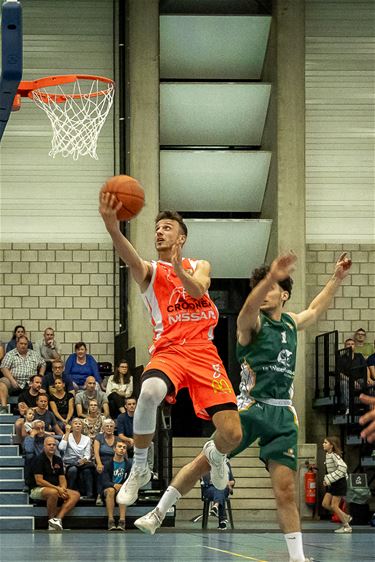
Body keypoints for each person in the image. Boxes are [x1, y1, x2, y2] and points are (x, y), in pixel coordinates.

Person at [135, 251, 351, 561]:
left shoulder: (290, 322)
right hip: (251, 408)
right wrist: (268, 278)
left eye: (273, 287)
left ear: (285, 294)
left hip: (282, 413)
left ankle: (297, 557)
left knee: (286, 490)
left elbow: (315, 310)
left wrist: (336, 279)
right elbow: (249, 307)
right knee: (202, 463)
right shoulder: (252, 323)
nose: (263, 293)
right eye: (262, 287)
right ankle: (158, 512)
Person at [99, 194, 241, 510]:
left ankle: (216, 454)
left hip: (204, 352)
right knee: (148, 391)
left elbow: (198, 289)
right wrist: (113, 229)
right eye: (157, 228)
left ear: (182, 237)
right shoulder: (151, 272)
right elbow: (131, 259)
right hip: (171, 350)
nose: (160, 232)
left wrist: (179, 268)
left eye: (167, 227)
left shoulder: (199, 265)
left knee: (232, 433)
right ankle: (140, 466)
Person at [29, 436, 80, 531]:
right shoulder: (38, 459)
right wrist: (58, 489)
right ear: (44, 446)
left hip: (56, 488)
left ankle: (57, 519)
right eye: (49, 445)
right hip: (37, 489)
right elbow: (39, 480)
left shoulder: (58, 459)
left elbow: (62, 478)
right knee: (53, 492)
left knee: (75, 494)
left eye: (54, 445)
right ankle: (51, 521)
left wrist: (63, 489)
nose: (52, 446)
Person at [0, 335, 46, 414]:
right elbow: (3, 367)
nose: (23, 345)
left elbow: (43, 364)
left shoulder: (34, 354)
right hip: (14, 381)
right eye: (21, 343)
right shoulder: (10, 354)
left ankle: (40, 412)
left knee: (41, 384)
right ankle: (4, 408)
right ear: (17, 344)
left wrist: (40, 376)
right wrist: (12, 380)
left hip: (31, 383)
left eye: (25, 344)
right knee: (2, 383)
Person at [58, 419, 95, 499]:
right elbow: (61, 447)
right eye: (75, 424)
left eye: (79, 424)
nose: (78, 425)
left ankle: (89, 495)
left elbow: (87, 454)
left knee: (87, 471)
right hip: (69, 463)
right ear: (72, 426)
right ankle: (70, 492)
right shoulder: (67, 436)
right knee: (73, 470)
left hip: (82, 463)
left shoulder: (87, 438)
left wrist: (84, 459)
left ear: (82, 427)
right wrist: (67, 432)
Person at [321, 436, 351, 533]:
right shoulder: (328, 455)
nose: (323, 444)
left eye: (325, 443)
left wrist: (329, 478)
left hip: (339, 483)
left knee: (334, 506)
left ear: (331, 445)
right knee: (325, 504)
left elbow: (343, 468)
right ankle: (345, 516)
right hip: (334, 483)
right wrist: (328, 480)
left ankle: (347, 527)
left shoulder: (334, 455)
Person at [99, 441, 131, 531]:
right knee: (111, 490)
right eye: (120, 446)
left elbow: (130, 480)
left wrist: (122, 486)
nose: (122, 449)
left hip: (122, 489)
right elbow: (104, 482)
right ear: (114, 449)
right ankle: (111, 520)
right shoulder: (108, 464)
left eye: (124, 447)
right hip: (109, 490)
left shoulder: (128, 465)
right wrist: (114, 485)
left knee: (124, 490)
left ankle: (122, 521)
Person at [117, 397, 154, 470]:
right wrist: (129, 439)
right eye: (129, 404)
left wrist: (138, 440)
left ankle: (150, 469)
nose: (132, 406)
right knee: (122, 446)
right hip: (127, 440)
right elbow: (120, 435)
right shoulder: (121, 417)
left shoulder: (142, 416)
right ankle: (126, 469)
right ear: (126, 406)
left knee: (151, 444)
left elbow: (146, 432)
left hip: (140, 439)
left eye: (134, 404)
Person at [337, 338, 368, 413]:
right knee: (343, 383)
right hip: (347, 381)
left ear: (355, 346)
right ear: (345, 346)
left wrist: (368, 378)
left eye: (352, 344)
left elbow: (365, 368)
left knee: (367, 383)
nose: (350, 346)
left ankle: (368, 407)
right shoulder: (341, 358)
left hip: (359, 379)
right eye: (348, 344)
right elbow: (340, 374)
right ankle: (348, 408)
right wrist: (352, 382)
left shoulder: (359, 356)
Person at [202, 459, 235, 530]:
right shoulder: (207, 464)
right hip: (209, 489)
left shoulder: (226, 463)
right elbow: (207, 481)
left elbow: (232, 481)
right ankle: (222, 520)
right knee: (220, 489)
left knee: (220, 488)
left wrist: (226, 483)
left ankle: (215, 506)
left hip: (224, 488)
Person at [94, 418, 120, 506]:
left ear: (114, 428)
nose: (109, 428)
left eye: (111, 426)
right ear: (103, 428)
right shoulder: (99, 437)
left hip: (114, 462)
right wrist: (99, 463)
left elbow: (122, 453)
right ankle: (99, 495)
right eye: (107, 426)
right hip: (101, 461)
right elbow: (96, 452)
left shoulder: (117, 439)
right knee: (102, 469)